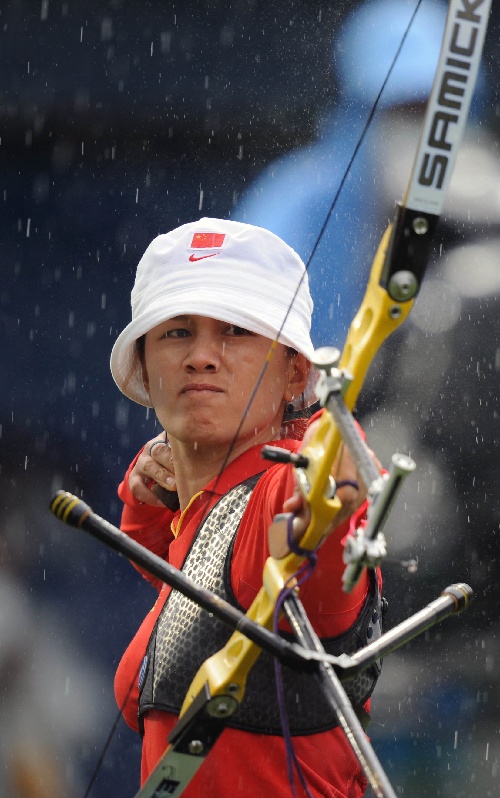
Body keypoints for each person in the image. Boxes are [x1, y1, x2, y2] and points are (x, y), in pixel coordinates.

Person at [110, 217, 383, 798]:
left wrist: (328, 466)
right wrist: (155, 488)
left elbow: (327, 489)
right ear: (144, 365)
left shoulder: (271, 501)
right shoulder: (191, 513)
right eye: (176, 333)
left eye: (236, 331)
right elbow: (159, 543)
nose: (202, 356)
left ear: (294, 373)